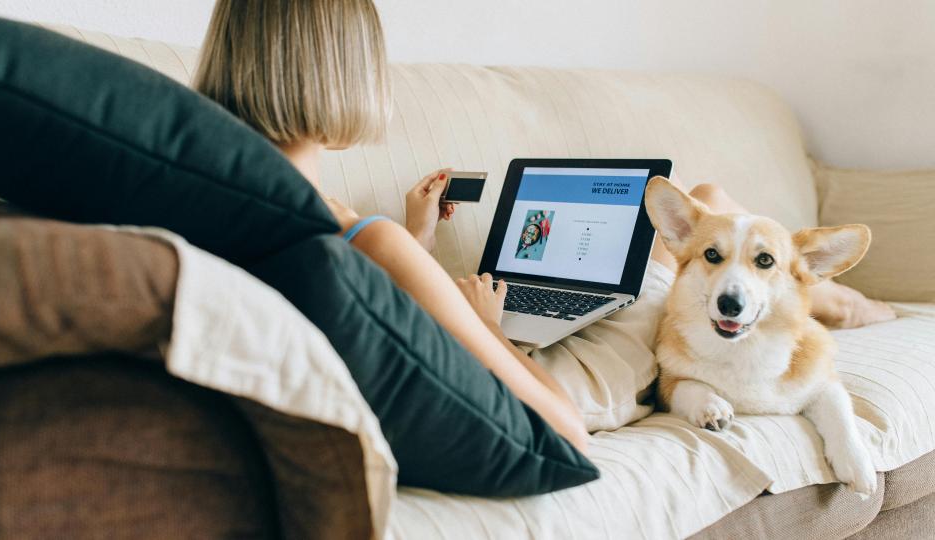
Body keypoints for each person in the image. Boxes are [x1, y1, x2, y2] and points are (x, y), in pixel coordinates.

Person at [194, 0, 895, 454]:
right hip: (579, 378)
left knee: (701, 213)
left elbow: (381, 304)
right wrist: (493, 329)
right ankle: (811, 289)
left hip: (504, 331)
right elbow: (555, 418)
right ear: (347, 76)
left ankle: (806, 286)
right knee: (703, 205)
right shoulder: (366, 239)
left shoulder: (223, 208)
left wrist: (419, 241)